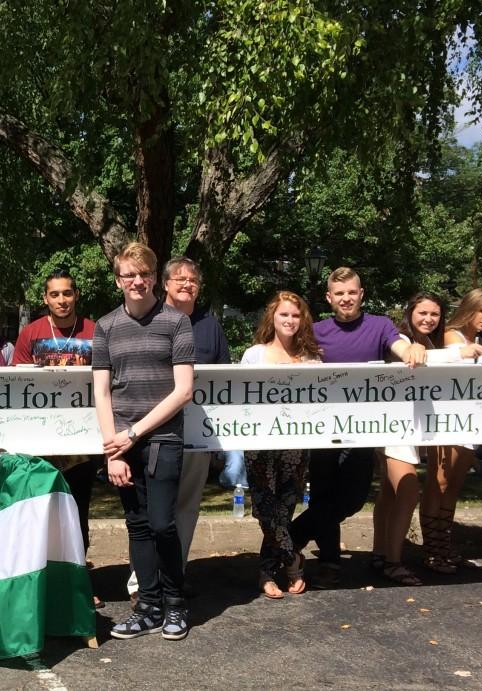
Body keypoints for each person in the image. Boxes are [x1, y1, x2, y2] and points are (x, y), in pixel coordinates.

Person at [288, 267, 426, 589]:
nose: (346, 298)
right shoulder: (316, 329)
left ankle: (288, 538)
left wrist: (413, 350)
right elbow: (291, 358)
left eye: (352, 292)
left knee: (351, 498)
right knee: (322, 496)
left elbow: (399, 347)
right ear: (329, 298)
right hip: (321, 427)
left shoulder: (380, 325)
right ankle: (330, 563)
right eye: (339, 294)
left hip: (365, 429)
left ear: (361, 294)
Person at [93, 242, 196, 641]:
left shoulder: (175, 323)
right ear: (118, 279)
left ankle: (175, 605)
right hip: (121, 444)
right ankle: (148, 607)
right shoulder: (105, 326)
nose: (137, 281)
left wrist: (134, 433)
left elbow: (183, 390)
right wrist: (113, 449)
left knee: (162, 524)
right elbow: (102, 393)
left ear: (155, 277)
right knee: (136, 526)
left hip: (163, 438)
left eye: (144, 274)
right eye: (129, 275)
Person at [11, 269, 100, 604]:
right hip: (40, 445)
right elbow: (16, 383)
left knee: (77, 515)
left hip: (82, 443)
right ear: (45, 299)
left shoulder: (95, 331)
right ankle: (40, 582)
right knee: (40, 516)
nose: (61, 300)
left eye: (67, 293)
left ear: (76, 295)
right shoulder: (31, 333)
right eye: (54, 295)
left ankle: (78, 583)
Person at [241, 291, 319, 598]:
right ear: (272, 318)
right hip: (259, 444)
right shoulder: (254, 355)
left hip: (295, 446)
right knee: (265, 508)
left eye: (295, 315)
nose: (289, 320)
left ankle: (267, 572)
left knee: (285, 509)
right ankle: (293, 558)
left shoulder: (313, 359)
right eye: (284, 314)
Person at [420, 288, 482, 573]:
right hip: (446, 421)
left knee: (453, 486)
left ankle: (443, 543)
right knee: (438, 483)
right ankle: (432, 549)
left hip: (470, 422)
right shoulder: (452, 334)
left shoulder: (477, 339)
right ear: (470, 308)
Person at [160, 257, 233, 570]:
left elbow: (225, 380)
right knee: (154, 509)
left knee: (186, 507)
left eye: (192, 280)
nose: (187, 284)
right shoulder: (150, 319)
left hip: (197, 434)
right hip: (155, 431)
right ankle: (143, 582)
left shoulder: (210, 325)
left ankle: (176, 574)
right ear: (165, 284)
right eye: (179, 279)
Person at [371, 292, 446, 586]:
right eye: (423, 313)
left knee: (389, 494)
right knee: (408, 489)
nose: (428, 319)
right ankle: (393, 561)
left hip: (415, 428)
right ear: (410, 312)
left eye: (435, 314)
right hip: (394, 427)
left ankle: (380, 552)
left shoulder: (430, 343)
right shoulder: (399, 338)